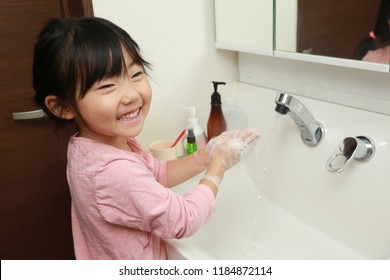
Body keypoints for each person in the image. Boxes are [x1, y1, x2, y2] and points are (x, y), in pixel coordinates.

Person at [32, 17, 260, 260]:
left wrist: (207, 154)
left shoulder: (94, 145)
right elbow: (184, 220)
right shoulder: (112, 171)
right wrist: (218, 167)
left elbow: (157, 173)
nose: (131, 94)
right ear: (62, 107)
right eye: (107, 86)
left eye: (136, 73)